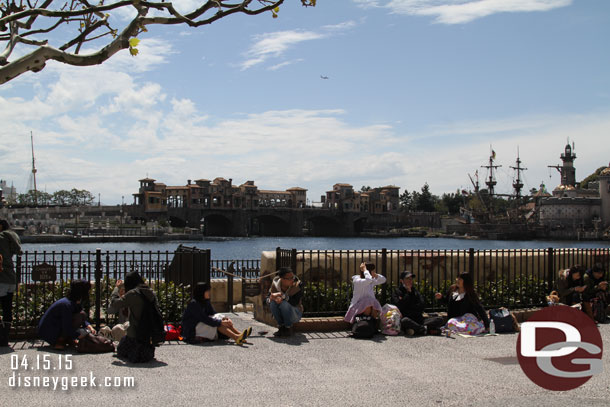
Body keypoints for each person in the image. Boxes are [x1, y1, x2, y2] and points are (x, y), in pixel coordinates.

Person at [109, 271, 162, 363]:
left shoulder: (133, 294)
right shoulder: (150, 292)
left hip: (135, 334)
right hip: (149, 334)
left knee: (121, 349)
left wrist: (116, 289)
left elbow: (115, 303)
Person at [182, 282, 251, 344]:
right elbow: (205, 319)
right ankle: (236, 337)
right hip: (193, 330)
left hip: (201, 325)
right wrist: (220, 322)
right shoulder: (194, 304)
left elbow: (213, 313)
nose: (209, 293)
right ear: (202, 292)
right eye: (207, 291)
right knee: (217, 323)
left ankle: (239, 334)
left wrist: (225, 319)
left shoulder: (205, 302)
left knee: (220, 318)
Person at [37, 280, 96, 349]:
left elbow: (81, 316)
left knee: (81, 314)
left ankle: (65, 339)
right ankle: (58, 342)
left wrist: (88, 326)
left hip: (55, 326)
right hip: (49, 330)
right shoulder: (66, 305)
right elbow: (66, 325)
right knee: (78, 317)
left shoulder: (73, 302)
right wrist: (78, 335)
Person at [391, 271, 443, 336]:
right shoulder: (397, 292)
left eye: (411, 279)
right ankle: (426, 330)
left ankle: (417, 330)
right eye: (407, 279)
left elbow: (422, 305)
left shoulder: (415, 291)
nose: (410, 281)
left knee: (439, 319)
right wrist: (408, 294)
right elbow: (399, 306)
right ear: (402, 281)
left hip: (419, 319)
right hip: (408, 318)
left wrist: (410, 306)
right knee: (404, 321)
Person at [0, 219, 21, 346]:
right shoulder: (13, 237)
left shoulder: (1, 237)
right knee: (7, 308)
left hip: (1, 277)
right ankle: (4, 338)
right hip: (11, 278)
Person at [266, 267, 304, 337]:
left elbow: (295, 302)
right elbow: (267, 299)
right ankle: (281, 327)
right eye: (289, 278)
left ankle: (288, 328)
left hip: (295, 314)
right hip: (281, 313)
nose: (292, 280)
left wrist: (283, 296)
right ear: (281, 279)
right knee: (273, 303)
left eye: (293, 277)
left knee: (284, 303)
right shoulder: (275, 285)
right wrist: (271, 298)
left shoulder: (297, 285)